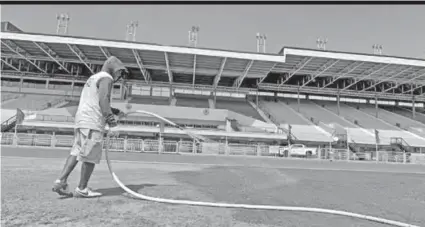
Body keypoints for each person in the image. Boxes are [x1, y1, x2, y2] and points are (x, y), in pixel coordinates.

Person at [52, 56, 128, 198]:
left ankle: (60, 180)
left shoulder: (93, 78)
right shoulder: (107, 78)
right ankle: (82, 188)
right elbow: (103, 99)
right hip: (93, 121)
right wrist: (112, 122)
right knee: (90, 155)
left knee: (76, 151)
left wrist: (116, 111)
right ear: (114, 69)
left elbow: (95, 100)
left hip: (82, 119)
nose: (119, 76)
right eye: (119, 72)